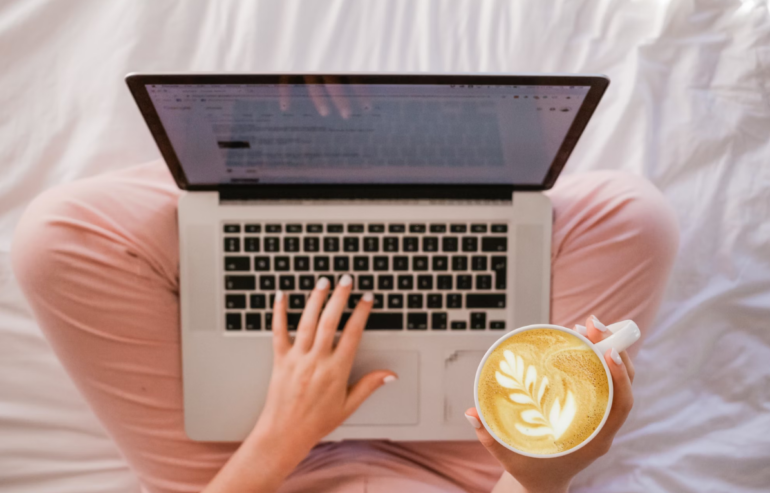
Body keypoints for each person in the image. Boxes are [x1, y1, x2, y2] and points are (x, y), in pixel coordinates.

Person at [11, 160, 679, 493]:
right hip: (469, 475)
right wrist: (537, 475)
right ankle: (394, 173)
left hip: (248, 468)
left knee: (58, 238)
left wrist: (281, 433)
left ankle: (280, 169)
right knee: (633, 218)